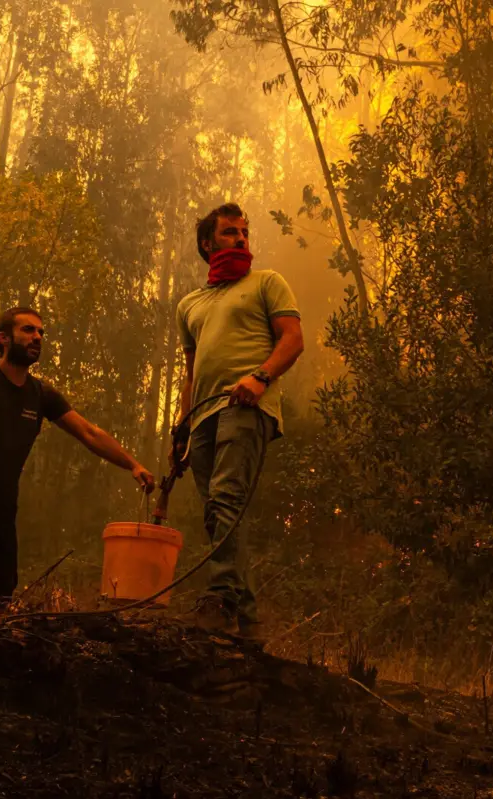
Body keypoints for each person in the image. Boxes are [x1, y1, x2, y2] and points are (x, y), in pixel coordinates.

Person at [0, 307, 156, 629]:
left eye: (41, 332)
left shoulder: (40, 395)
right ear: (3, 338)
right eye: (28, 330)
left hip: (2, 513)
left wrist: (133, 464)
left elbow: (89, 433)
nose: (37, 337)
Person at [173, 203, 304, 639]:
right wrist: (180, 425)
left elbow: (293, 339)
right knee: (217, 513)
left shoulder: (267, 282)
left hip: (246, 407)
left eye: (245, 233)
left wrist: (261, 376)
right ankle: (247, 622)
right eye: (230, 233)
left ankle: (220, 599)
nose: (242, 240)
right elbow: (192, 373)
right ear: (208, 244)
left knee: (227, 497)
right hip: (202, 415)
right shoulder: (189, 305)